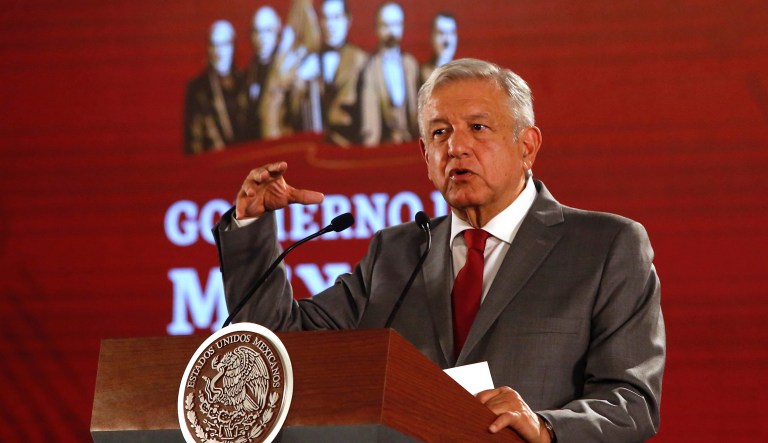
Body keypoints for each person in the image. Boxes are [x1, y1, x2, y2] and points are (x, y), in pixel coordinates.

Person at [214, 58, 665, 442]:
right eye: (440, 132)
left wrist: (546, 427)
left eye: (478, 127)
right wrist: (251, 226)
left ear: (526, 146)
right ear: (424, 155)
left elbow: (630, 401)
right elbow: (279, 347)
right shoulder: (396, 253)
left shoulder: (605, 246)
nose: (456, 147)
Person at [289, 0, 369, 146]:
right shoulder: (307, 61)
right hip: (313, 149)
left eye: (336, 17)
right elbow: (291, 114)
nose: (330, 24)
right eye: (326, 18)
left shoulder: (361, 61)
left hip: (351, 148)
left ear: (348, 20)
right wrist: (300, 81)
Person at [359, 1, 420, 146]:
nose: (391, 31)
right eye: (385, 25)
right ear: (376, 29)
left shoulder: (411, 65)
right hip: (384, 146)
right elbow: (370, 120)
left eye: (396, 24)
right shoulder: (370, 69)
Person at [183, 20, 247, 154]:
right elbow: (194, 142)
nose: (219, 52)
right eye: (214, 45)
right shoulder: (197, 89)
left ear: (233, 47)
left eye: (225, 45)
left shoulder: (245, 81)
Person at [243, 6, 283, 140]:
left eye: (267, 31)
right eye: (257, 31)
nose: (262, 37)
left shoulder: (286, 70)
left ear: (277, 31)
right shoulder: (248, 74)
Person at [420, 12, 458, 84]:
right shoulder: (422, 74)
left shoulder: (463, 75)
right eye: (441, 33)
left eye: (451, 33)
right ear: (431, 37)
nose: (447, 40)